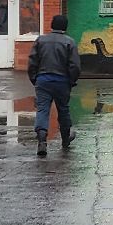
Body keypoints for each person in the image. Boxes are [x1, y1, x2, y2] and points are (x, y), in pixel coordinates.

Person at [26, 13, 81, 157]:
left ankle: (42, 140)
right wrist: (71, 81)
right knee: (63, 109)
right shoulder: (69, 42)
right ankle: (65, 139)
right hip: (62, 81)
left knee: (42, 109)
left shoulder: (41, 40)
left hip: (43, 80)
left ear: (52, 25)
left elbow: (32, 62)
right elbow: (74, 66)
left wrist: (35, 79)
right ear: (65, 27)